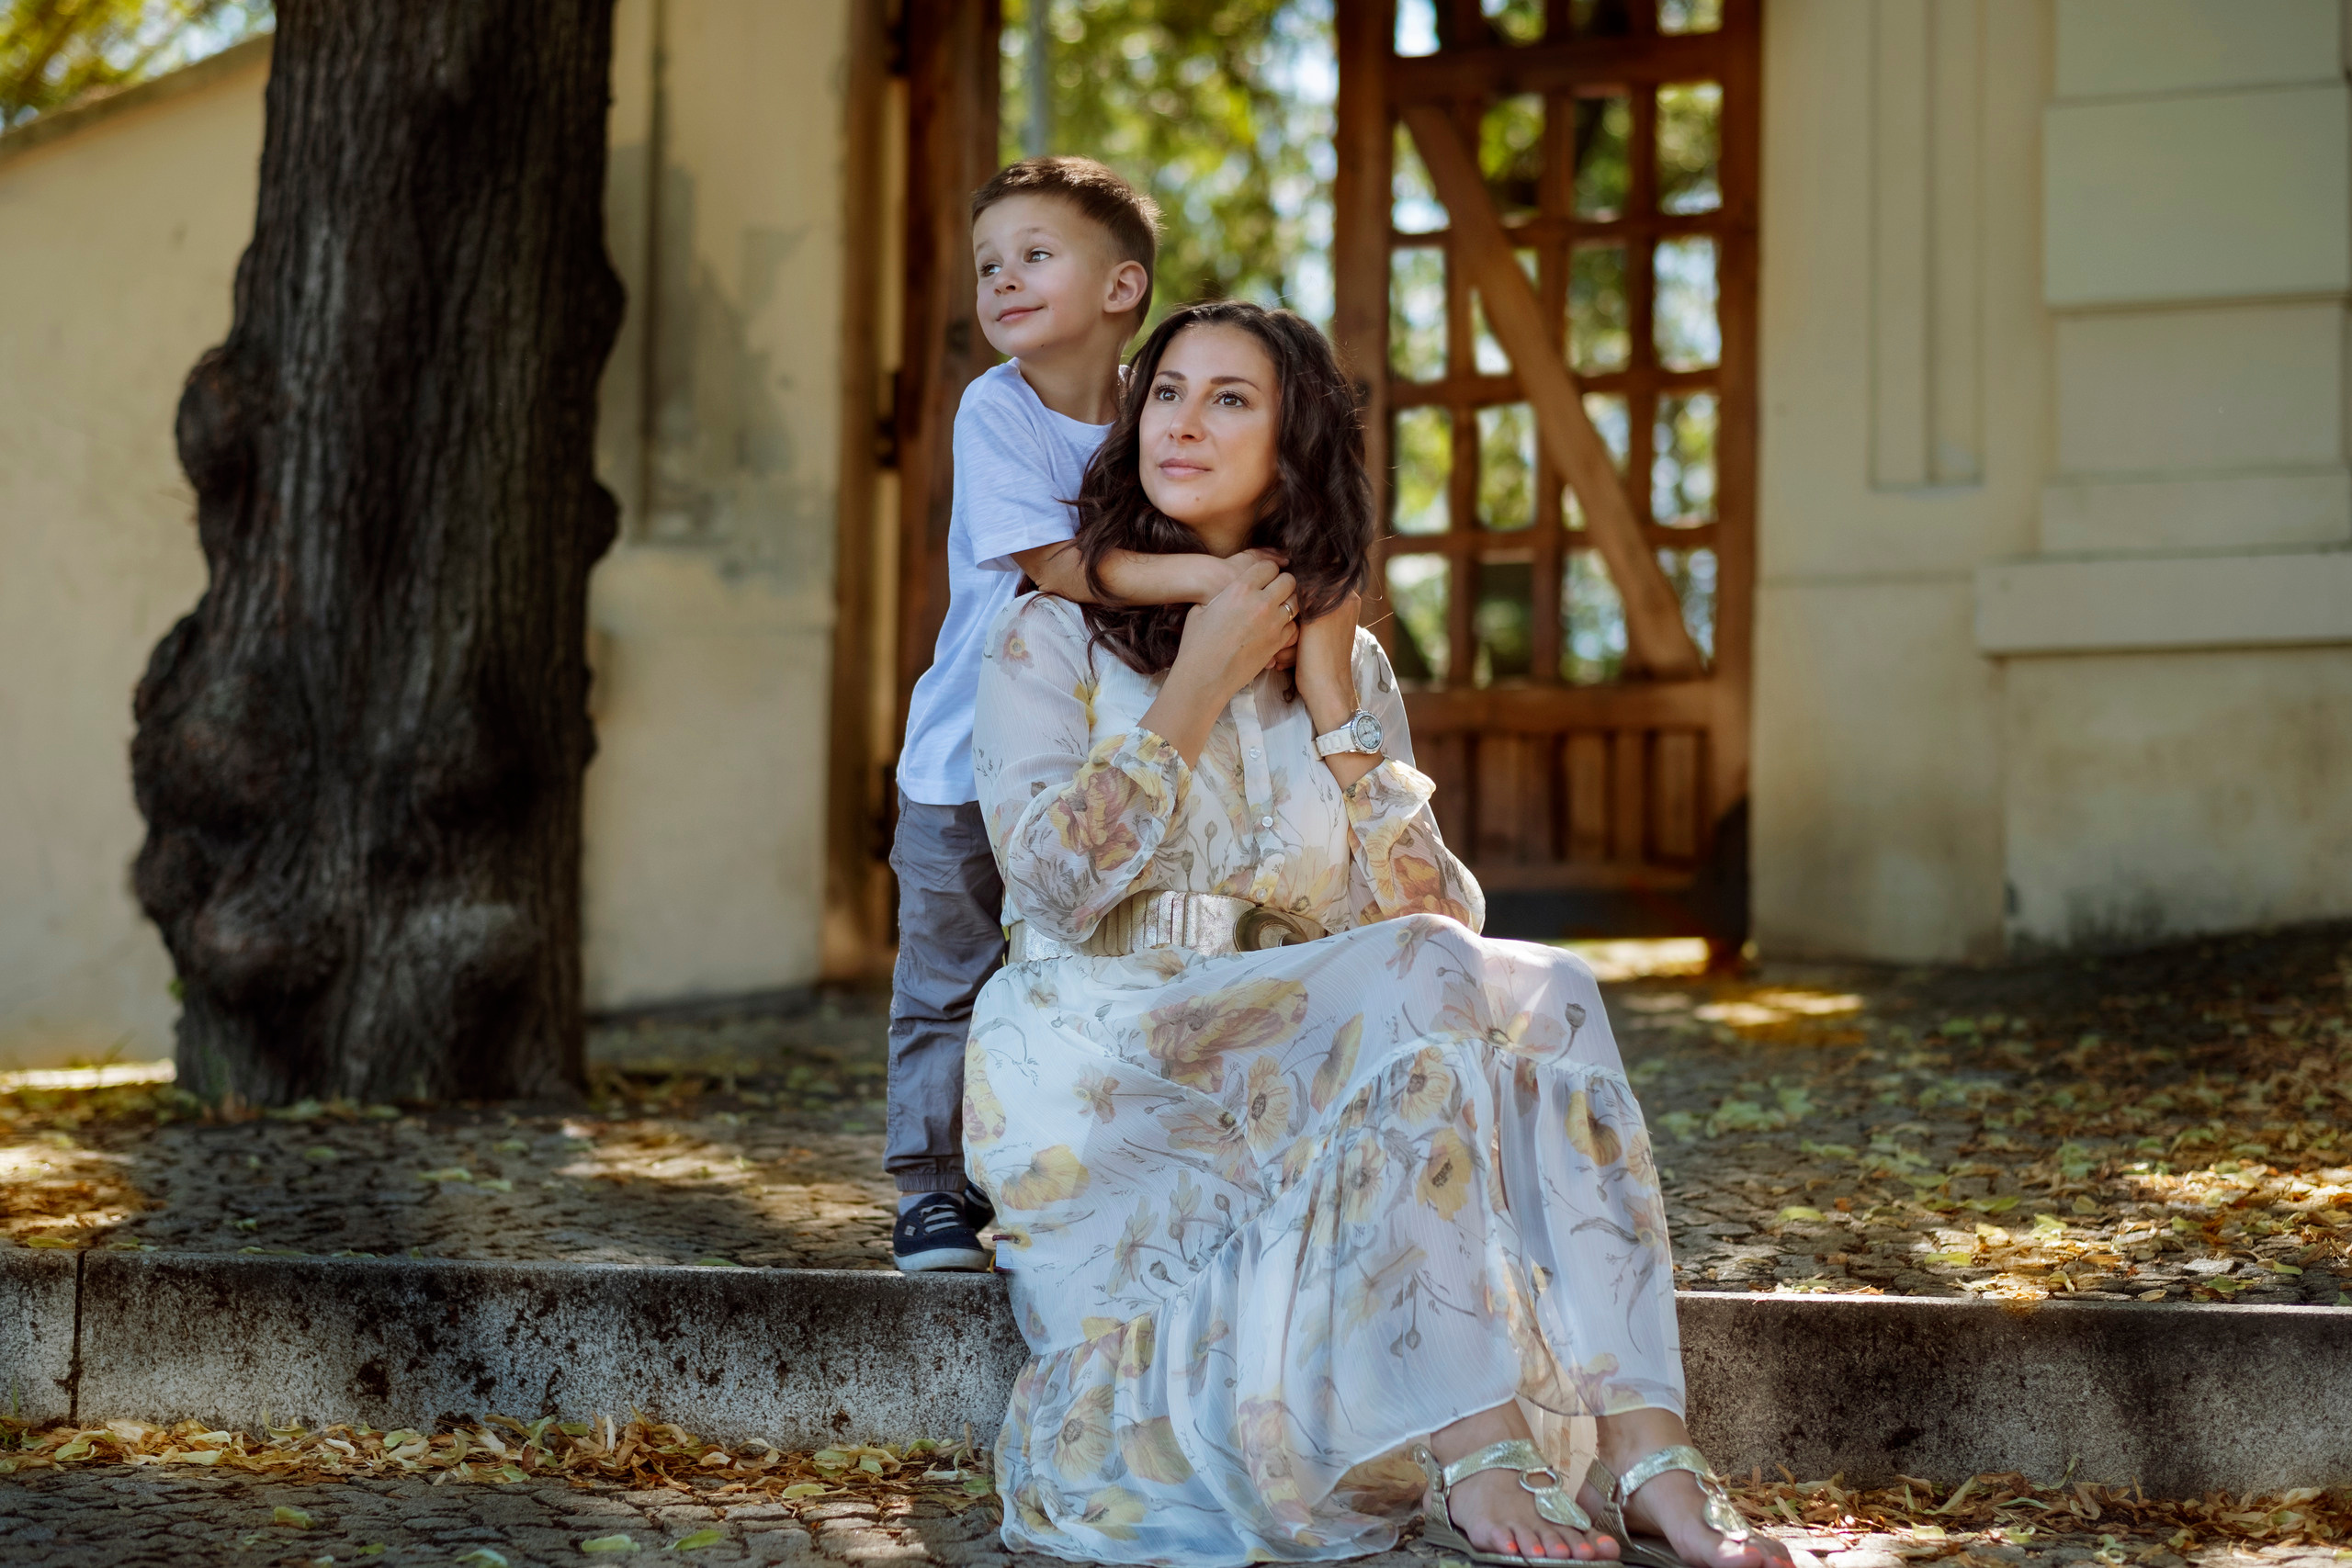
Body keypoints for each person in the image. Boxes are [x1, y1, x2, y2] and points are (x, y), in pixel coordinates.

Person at [963, 301, 1801, 1568]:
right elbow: (1053, 880)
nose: (1182, 419)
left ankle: (1646, 1447)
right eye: (1167, 390)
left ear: (1294, 440)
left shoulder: (1345, 660)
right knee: (1425, 970)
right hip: (1101, 1035)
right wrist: (1197, 679)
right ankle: (1477, 1438)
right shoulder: (1049, 631)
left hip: (1288, 1030)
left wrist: (1339, 709)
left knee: (1553, 984)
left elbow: (1437, 931)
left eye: (1230, 397)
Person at [888, 158, 1285, 1270]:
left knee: (1075, 953)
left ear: (1122, 288)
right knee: (947, 971)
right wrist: (1216, 588)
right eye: (987, 266)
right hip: (965, 759)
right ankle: (928, 1187)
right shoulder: (996, 409)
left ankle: (1052, 1158)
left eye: (1034, 255)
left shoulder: (1153, 417)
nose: (1002, 279)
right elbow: (1059, 564)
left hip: (1094, 757)